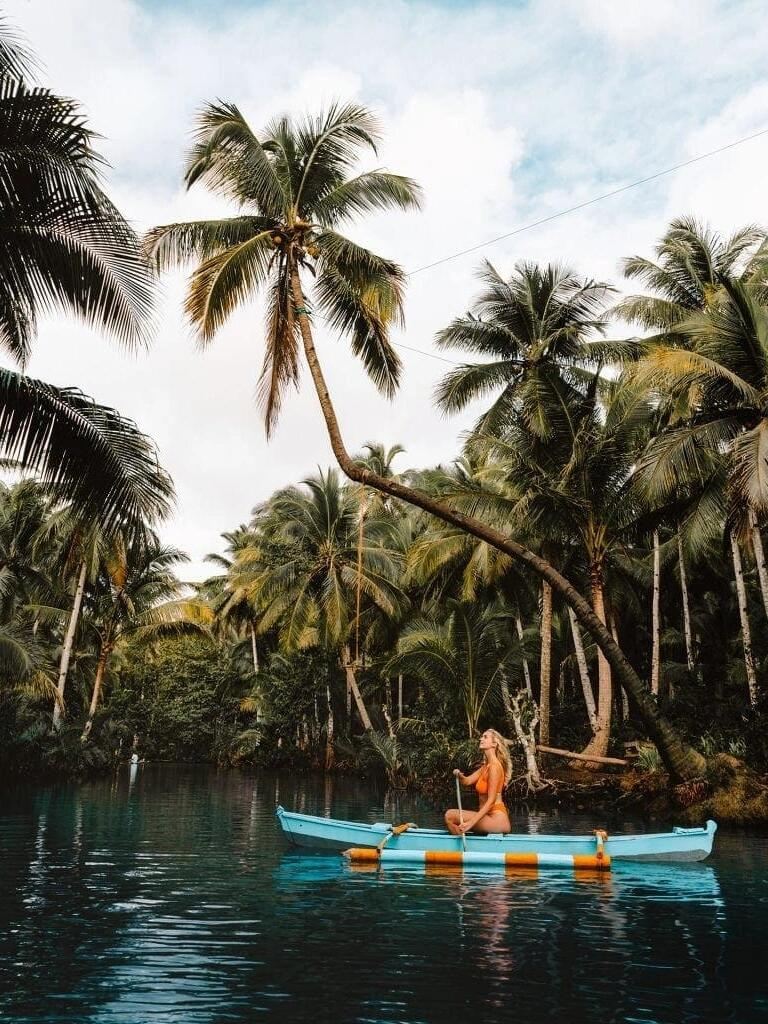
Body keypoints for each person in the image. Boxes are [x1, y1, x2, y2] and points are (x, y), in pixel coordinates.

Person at [446, 728, 512, 835]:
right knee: (450, 816)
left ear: (494, 744)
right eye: (482, 736)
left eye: (485, 737)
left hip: (497, 819)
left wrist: (470, 823)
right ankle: (461, 843)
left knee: (449, 816)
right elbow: (467, 781)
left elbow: (491, 801)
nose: (481, 739)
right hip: (488, 817)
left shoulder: (494, 767)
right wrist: (459, 775)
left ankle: (461, 849)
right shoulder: (486, 766)